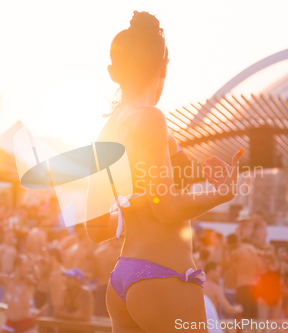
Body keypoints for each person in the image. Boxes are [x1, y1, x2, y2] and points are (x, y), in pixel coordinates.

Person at [85, 11, 241, 332]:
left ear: (115, 72)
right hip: (163, 273)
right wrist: (224, 192)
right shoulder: (152, 118)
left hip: (123, 279)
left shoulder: (105, 133)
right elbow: (167, 206)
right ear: (163, 67)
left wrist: (138, 202)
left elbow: (96, 228)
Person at [225, 234, 260, 319]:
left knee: (242, 315)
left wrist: (225, 251)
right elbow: (258, 265)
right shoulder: (251, 248)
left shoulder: (236, 252)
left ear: (231, 244)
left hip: (243, 286)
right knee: (253, 316)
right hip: (254, 286)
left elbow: (225, 266)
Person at [92, 236, 123, 317]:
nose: (121, 242)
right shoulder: (120, 254)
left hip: (102, 286)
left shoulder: (98, 253)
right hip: (114, 288)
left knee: (99, 316)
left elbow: (94, 273)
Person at [0, 229, 18, 302]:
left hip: (10, 275)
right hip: (1, 273)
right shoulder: (1, 248)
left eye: (11, 237)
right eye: (8, 236)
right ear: (5, 237)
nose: (10, 238)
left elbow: (15, 263)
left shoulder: (14, 250)